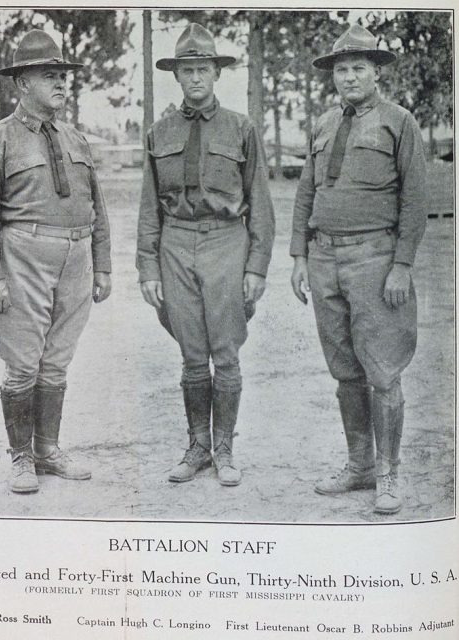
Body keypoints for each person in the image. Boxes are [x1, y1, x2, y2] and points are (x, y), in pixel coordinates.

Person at [0, 29, 112, 494]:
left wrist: (103, 264)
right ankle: (22, 458)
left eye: (63, 75)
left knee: (57, 361)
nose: (61, 84)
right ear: (21, 84)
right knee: (23, 363)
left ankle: (48, 451)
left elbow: (97, 206)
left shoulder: (77, 139)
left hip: (76, 257)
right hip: (23, 256)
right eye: (49, 75)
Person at [290, 24, 426, 514]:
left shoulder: (399, 121)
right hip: (325, 258)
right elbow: (307, 191)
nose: (348, 77)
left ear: (375, 73)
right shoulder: (324, 124)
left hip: (376, 259)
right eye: (341, 69)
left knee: (383, 371)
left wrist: (402, 265)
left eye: (358, 68)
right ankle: (359, 467)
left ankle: (388, 474)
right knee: (345, 370)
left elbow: (415, 201)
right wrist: (300, 256)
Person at [137, 23, 275, 487]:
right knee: (193, 354)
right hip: (175, 243)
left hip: (226, 243)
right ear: (177, 76)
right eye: (187, 69)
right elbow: (148, 206)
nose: (195, 77)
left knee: (226, 352)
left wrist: (256, 266)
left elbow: (261, 203)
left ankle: (225, 449)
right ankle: (197, 446)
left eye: (203, 68)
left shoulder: (241, 127)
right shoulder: (159, 132)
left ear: (216, 72)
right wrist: (147, 267)